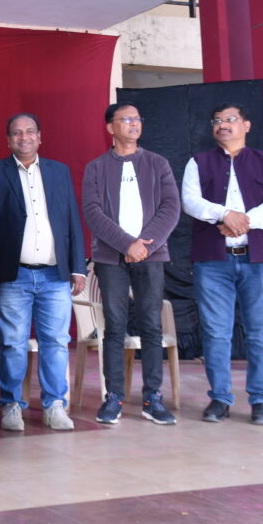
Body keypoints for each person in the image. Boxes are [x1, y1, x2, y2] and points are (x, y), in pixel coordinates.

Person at [181, 103, 263, 425]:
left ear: (246, 125)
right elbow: (190, 201)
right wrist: (224, 214)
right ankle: (220, 398)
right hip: (213, 262)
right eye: (217, 121)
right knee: (216, 332)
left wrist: (245, 222)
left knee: (261, 332)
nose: (223, 125)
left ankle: (261, 400)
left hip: (258, 261)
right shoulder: (198, 162)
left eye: (230, 119)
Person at [0, 113, 86, 433]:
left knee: (56, 342)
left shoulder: (58, 171)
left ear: (40, 136)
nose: (23, 137)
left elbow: (71, 220)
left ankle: (55, 405)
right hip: (13, 276)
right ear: (8, 140)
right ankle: (12, 405)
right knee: (13, 343)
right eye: (16, 133)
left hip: (55, 275)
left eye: (29, 132)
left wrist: (78, 267)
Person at [81, 102, 180, 425]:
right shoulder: (96, 167)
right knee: (114, 327)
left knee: (151, 326)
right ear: (111, 128)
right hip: (111, 258)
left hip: (150, 256)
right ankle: (114, 397)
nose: (134, 124)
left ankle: (153, 399)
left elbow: (170, 207)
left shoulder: (157, 163)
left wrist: (145, 245)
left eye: (137, 119)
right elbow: (93, 212)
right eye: (126, 119)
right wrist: (127, 244)